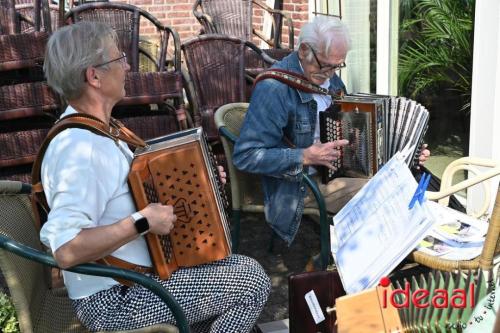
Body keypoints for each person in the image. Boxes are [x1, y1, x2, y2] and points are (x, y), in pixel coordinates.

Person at [41, 21, 270, 333]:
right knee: (251, 280)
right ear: (93, 76)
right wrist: (143, 221)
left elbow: (130, 190)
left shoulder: (102, 132)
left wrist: (203, 185)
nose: (126, 66)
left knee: (230, 265)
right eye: (118, 59)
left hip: (135, 283)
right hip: (115, 303)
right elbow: (66, 249)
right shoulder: (80, 149)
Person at [233, 16, 430, 245]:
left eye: (336, 66)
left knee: (407, 178)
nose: (329, 74)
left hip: (337, 172)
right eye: (324, 65)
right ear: (304, 49)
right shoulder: (274, 89)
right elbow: (245, 156)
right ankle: (351, 262)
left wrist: (407, 150)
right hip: (298, 186)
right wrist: (305, 155)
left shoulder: (332, 81)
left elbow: (345, 133)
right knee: (380, 191)